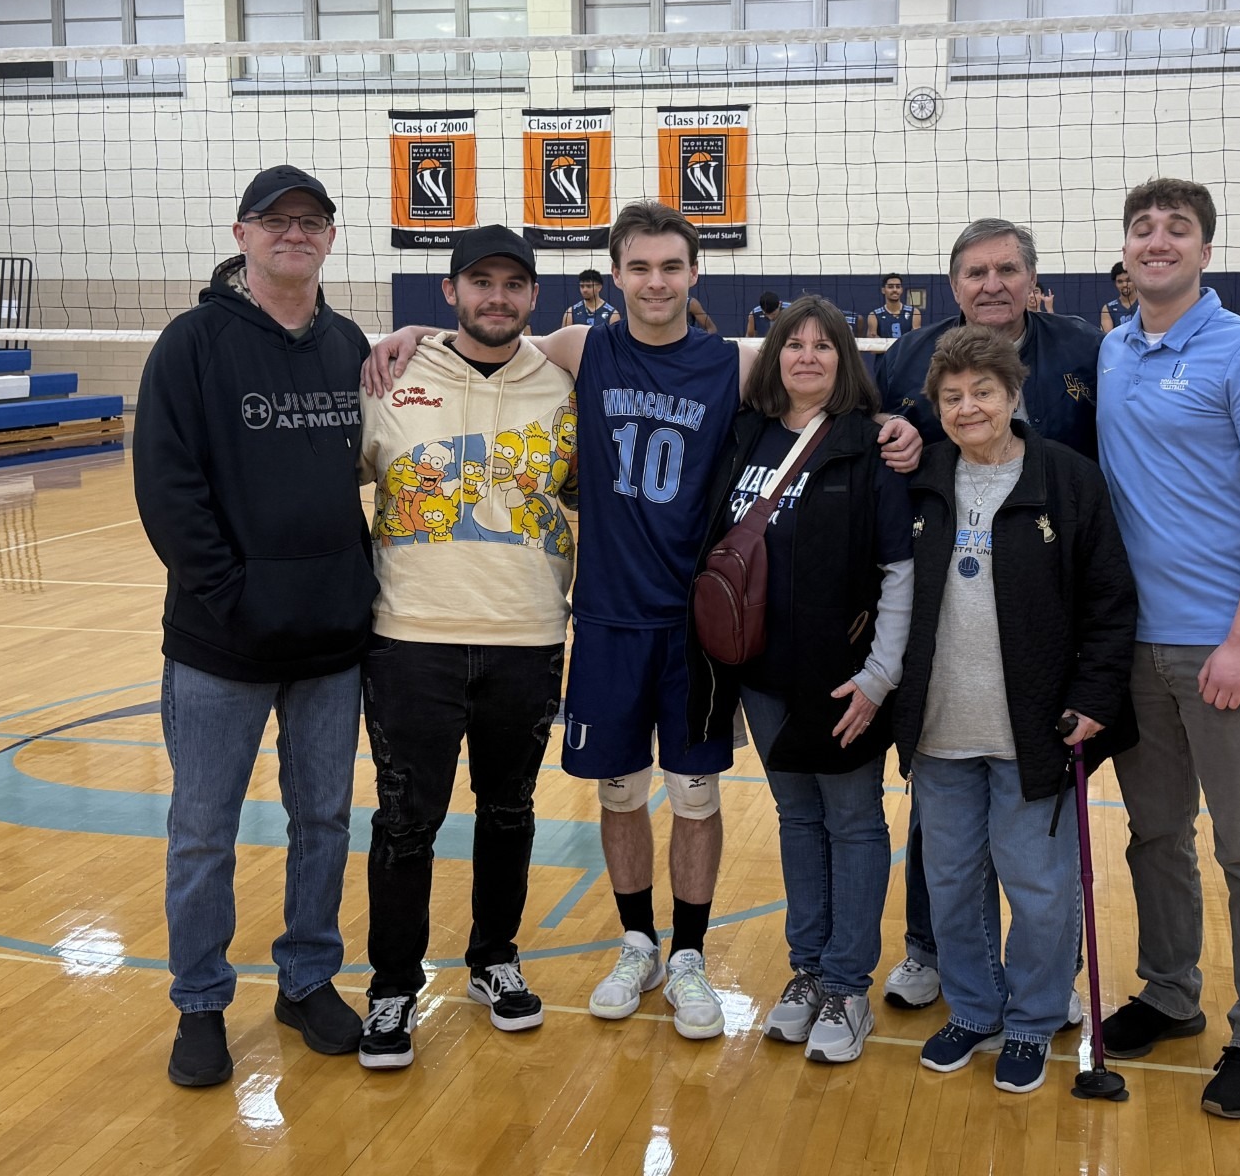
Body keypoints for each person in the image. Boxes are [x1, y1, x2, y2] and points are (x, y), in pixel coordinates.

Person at [364, 201, 926, 1043]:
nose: (655, 282)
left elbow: (821, 395)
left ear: (695, 275)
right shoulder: (582, 349)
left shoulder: (734, 364)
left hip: (697, 627)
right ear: (615, 275)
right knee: (621, 791)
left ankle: (691, 952)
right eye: (640, 267)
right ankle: (638, 941)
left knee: (695, 794)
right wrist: (406, 331)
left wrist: (893, 425)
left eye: (672, 267)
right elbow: (482, 335)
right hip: (604, 619)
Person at [133, 164, 375, 1088]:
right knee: (203, 832)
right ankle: (200, 1002)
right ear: (242, 235)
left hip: (329, 644)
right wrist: (233, 595)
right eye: (276, 221)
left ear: (328, 238)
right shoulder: (192, 344)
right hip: (219, 645)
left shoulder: (349, 343)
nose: (294, 234)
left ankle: (307, 978)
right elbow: (168, 490)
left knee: (323, 820)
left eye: (311, 221)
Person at [1094, 177, 1240, 1121]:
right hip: (1137, 650)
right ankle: (1169, 992)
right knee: (1154, 836)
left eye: (1176, 230)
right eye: (1142, 229)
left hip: (1226, 650)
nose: (1157, 242)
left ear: (1205, 251)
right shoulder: (1109, 349)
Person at [889, 325, 1136, 1095]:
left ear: (1013, 396)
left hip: (1035, 728)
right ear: (936, 406)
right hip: (938, 728)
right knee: (953, 882)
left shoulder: (1067, 480)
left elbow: (1109, 599)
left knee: (1038, 885)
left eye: (983, 393)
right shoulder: (922, 478)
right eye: (953, 397)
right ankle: (972, 1007)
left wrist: (1094, 697)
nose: (969, 408)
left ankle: (1031, 1019)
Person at [354, 225, 578, 1071]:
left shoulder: (562, 382)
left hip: (526, 637)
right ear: (448, 292)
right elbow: (330, 485)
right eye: (479, 281)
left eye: (513, 284)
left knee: (510, 809)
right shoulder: (391, 373)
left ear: (532, 297)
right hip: (412, 641)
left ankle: (493, 958)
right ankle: (391, 990)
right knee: (406, 820)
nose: (496, 296)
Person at [872, 218, 1102, 1011]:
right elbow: (874, 441)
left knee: (1034, 821)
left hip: (1045, 608)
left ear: (1033, 279)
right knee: (943, 823)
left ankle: (1050, 980)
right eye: (975, 272)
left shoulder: (1082, 350)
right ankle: (930, 952)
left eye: (1008, 269)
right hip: (948, 608)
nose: (991, 284)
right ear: (953, 285)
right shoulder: (910, 355)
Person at [696, 295, 913, 1064]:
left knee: (852, 821)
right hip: (760, 670)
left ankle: (848, 984)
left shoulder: (868, 445)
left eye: (826, 345)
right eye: (795, 344)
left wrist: (880, 676)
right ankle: (808, 970)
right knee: (797, 817)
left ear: (844, 360)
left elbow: (899, 570)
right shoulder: (745, 434)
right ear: (774, 355)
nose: (809, 357)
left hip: (842, 676)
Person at [865, 273, 921, 340]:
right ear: (883, 290)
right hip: (885, 351)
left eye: (898, 287)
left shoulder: (914, 312)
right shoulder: (874, 315)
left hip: (906, 350)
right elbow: (873, 344)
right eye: (890, 287)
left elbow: (915, 340)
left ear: (901, 290)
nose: (895, 290)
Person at [1100, 260, 1137, 332]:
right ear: (1115, 283)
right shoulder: (1108, 308)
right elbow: (1106, 337)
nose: (1124, 285)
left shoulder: (1145, 304)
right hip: (1117, 343)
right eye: (1120, 281)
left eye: (1128, 280)